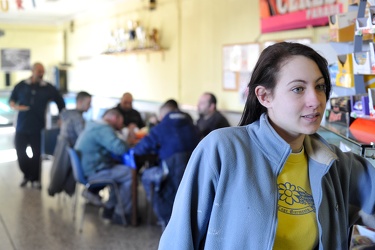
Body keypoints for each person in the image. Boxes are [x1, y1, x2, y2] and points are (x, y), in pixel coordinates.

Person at [158, 42, 375, 249]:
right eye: (298, 89)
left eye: (320, 86)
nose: (316, 100)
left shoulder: (335, 164)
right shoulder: (223, 150)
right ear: (264, 96)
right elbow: (179, 240)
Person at [133, 99, 200, 229]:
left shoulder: (161, 127)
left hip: (170, 173)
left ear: (162, 116)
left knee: (146, 176)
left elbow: (141, 148)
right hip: (193, 175)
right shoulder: (193, 127)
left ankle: (165, 219)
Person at [9, 62, 65, 189]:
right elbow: (12, 100)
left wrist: (62, 117)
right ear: (33, 71)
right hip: (21, 126)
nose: (41, 74)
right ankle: (27, 175)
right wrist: (15, 106)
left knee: (36, 154)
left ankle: (35, 179)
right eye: (39, 71)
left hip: (38, 127)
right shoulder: (21, 86)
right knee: (21, 153)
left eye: (43, 71)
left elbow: (60, 103)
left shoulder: (48, 88)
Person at [74, 108, 132, 225]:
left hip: (87, 168)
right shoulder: (103, 129)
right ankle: (121, 214)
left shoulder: (94, 125)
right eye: (121, 122)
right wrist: (128, 140)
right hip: (93, 171)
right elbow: (120, 149)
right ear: (115, 118)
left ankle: (110, 209)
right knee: (130, 173)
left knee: (120, 170)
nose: (122, 125)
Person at [47, 91, 96, 200]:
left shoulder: (67, 113)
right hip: (69, 149)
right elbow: (83, 137)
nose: (90, 106)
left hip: (62, 146)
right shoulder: (78, 118)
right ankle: (93, 191)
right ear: (80, 102)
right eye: (88, 103)